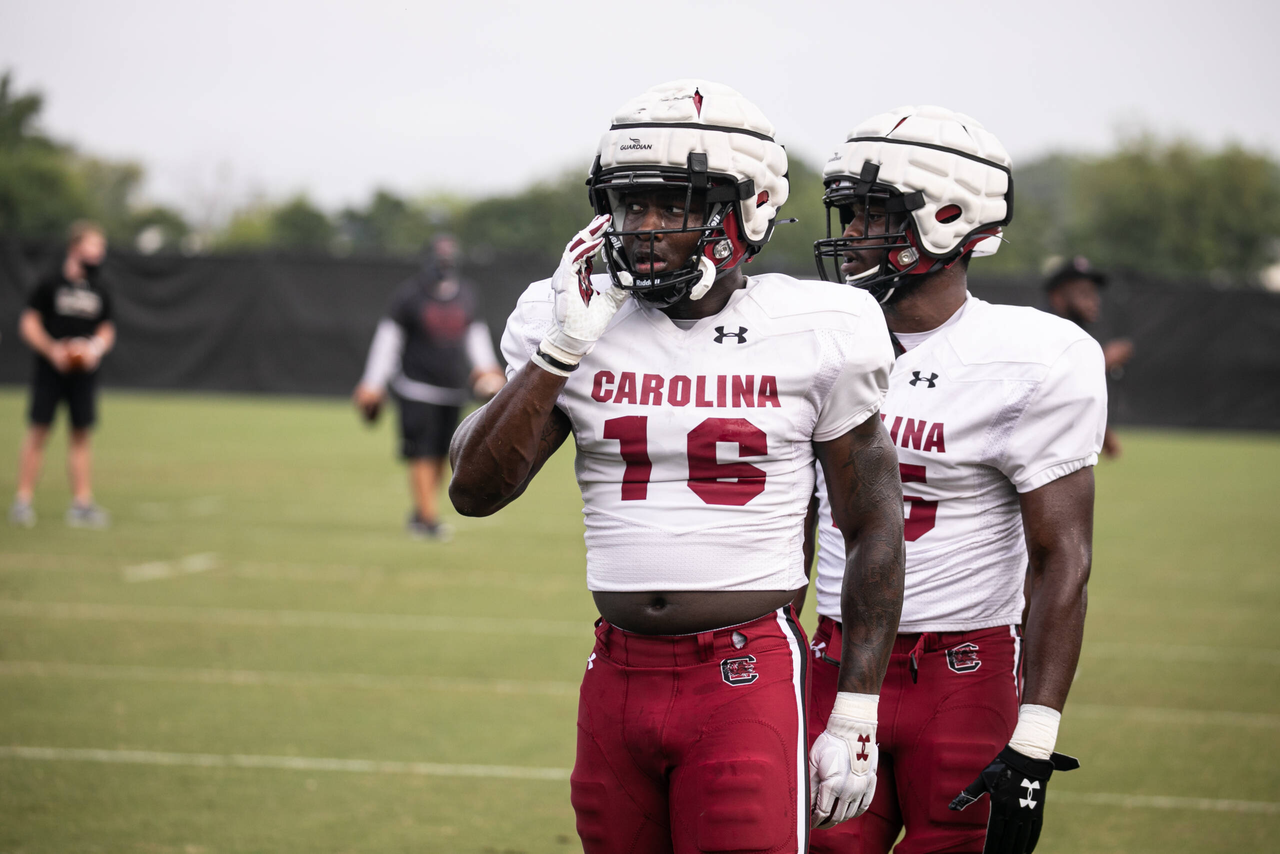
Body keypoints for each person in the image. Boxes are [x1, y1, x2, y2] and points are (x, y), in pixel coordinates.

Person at [448, 80, 906, 852]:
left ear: (749, 208)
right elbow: (474, 491)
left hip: (745, 674)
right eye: (631, 206)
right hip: (615, 673)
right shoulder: (571, 316)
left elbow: (874, 526)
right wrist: (561, 348)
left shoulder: (820, 326)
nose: (646, 229)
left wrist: (856, 713)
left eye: (675, 205)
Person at [808, 106, 1107, 854]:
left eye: (875, 215)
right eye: (849, 214)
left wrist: (1035, 737)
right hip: (831, 661)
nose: (851, 235)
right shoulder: (812, 335)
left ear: (949, 219)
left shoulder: (1034, 356)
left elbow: (1061, 556)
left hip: (963, 675)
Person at [353, 234, 505, 540]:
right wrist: (373, 383)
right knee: (421, 453)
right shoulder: (409, 295)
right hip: (416, 387)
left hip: (452, 389)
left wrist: (488, 369)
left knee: (441, 455)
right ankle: (426, 519)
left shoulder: (467, 294)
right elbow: (388, 340)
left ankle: (422, 511)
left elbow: (475, 335)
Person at [10, 220, 116, 529]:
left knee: (81, 434)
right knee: (38, 431)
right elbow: (28, 324)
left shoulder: (100, 289)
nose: (98, 254)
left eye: (101, 248)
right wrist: (52, 350)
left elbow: (107, 328)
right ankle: (23, 500)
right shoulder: (50, 283)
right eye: (93, 246)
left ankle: (81, 503)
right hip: (51, 370)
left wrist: (94, 348)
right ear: (75, 247)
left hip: (83, 373)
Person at [1045, 255, 1131, 458]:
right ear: (1058, 298)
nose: (1094, 301)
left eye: (1094, 293)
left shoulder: (1078, 337)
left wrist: (1104, 432)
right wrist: (1103, 360)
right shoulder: (1042, 331)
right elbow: (1047, 385)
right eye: (1084, 293)